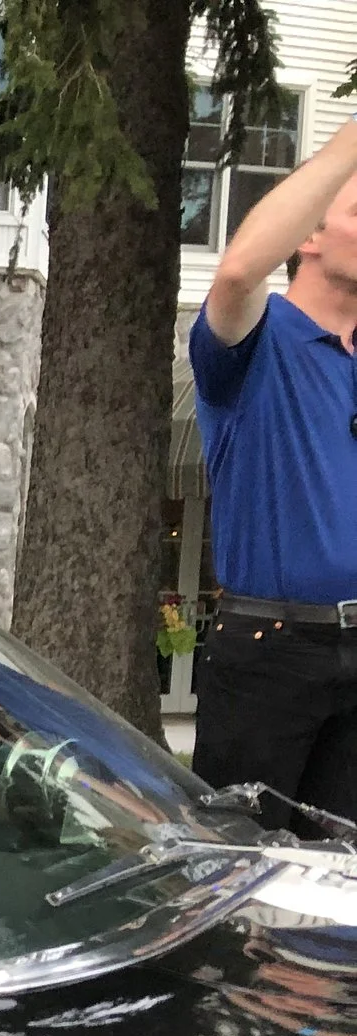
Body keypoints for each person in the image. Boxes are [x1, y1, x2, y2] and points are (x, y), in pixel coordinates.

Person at [187, 112, 357, 828]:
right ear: (308, 237)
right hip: (268, 653)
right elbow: (237, 270)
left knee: (341, 877)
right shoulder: (256, 339)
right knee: (241, 865)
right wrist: (348, 144)